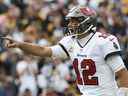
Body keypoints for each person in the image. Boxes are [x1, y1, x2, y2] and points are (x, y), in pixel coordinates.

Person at [1, 5, 128, 96]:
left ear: (88, 22)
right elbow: (44, 51)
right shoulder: (70, 41)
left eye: (75, 21)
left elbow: (123, 74)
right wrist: (20, 45)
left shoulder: (103, 41)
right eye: (70, 21)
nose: (71, 24)